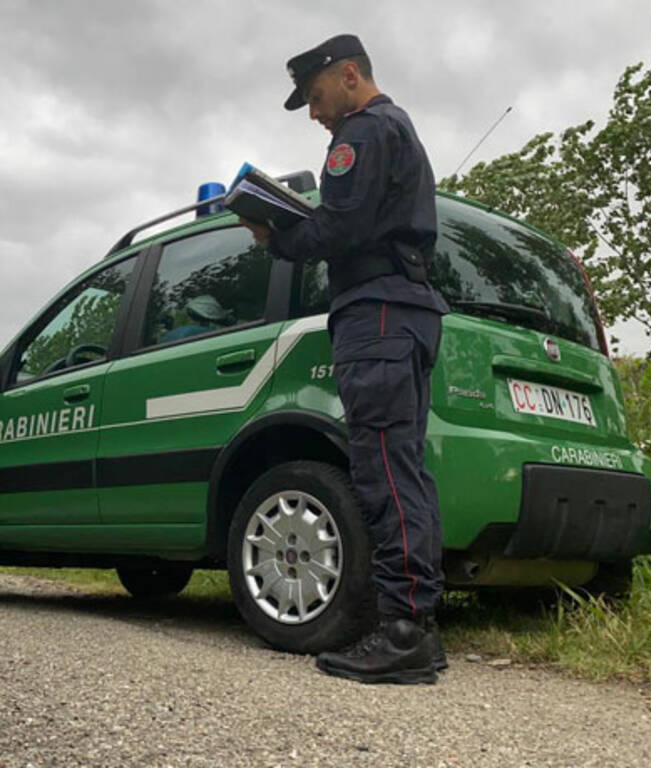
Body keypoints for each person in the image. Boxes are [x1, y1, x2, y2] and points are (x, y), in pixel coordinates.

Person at [241, 34, 449, 684]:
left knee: (381, 468)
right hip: (407, 309)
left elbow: (340, 227)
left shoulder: (363, 131)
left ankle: (403, 632)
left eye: (315, 96)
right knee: (404, 469)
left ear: (350, 75)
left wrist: (277, 236)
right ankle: (419, 627)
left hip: (377, 310)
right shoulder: (399, 128)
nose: (314, 113)